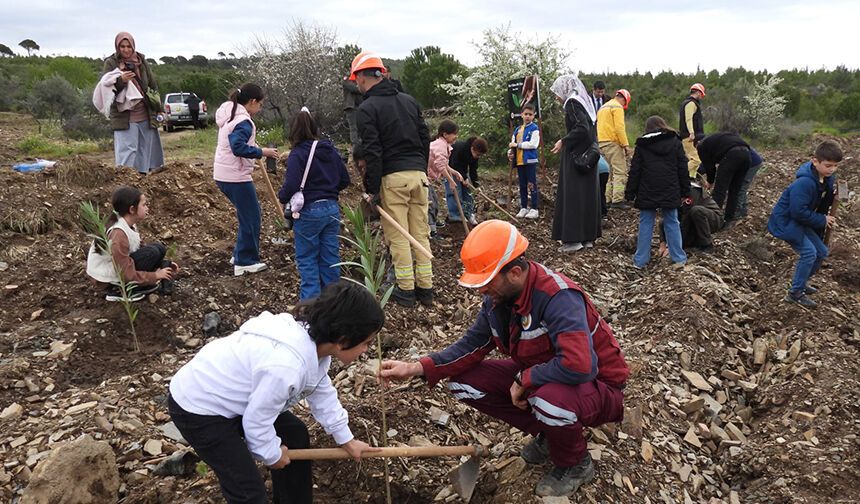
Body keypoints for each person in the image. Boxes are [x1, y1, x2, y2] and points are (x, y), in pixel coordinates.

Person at [380, 221, 628, 498]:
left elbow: (579, 365)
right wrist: (416, 368)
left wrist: (525, 378)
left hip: (598, 386)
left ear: (515, 272)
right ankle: (550, 434)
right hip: (548, 378)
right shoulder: (497, 301)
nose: (480, 291)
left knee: (548, 401)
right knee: (462, 383)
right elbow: (472, 344)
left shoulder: (557, 297)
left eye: (486, 283)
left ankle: (575, 463)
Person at [168, 281, 383, 504]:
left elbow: (321, 392)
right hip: (199, 408)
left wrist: (346, 439)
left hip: (238, 399)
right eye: (366, 343)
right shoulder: (286, 367)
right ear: (343, 340)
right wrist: (271, 454)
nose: (367, 350)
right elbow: (256, 421)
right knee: (247, 491)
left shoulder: (317, 350)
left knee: (295, 434)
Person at [351, 51, 432, 307]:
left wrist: (372, 189)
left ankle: (406, 290)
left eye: (356, 79)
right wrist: (421, 168)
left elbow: (373, 151)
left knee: (398, 236)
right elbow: (425, 137)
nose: (356, 84)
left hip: (393, 178)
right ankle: (426, 287)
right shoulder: (409, 101)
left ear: (363, 77)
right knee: (420, 232)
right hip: (419, 176)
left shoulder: (367, 108)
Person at [278, 108, 350, 300]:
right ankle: (333, 304)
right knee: (330, 258)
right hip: (332, 209)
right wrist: (329, 189)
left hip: (309, 210)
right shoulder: (330, 151)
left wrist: (282, 196)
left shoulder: (297, 154)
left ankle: (310, 309)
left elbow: (292, 184)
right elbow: (345, 179)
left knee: (308, 259)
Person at [213, 83, 279, 276]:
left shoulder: (231, 114)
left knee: (247, 214)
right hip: (235, 176)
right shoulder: (243, 121)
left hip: (224, 174)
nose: (260, 108)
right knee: (252, 216)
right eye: (260, 104)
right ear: (252, 102)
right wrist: (262, 152)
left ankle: (240, 254)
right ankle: (245, 261)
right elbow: (238, 147)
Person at [767, 140, 842, 308]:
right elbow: (797, 211)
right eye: (828, 165)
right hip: (787, 221)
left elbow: (823, 201)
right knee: (809, 253)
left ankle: (801, 282)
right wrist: (823, 220)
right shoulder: (805, 183)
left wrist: (833, 195)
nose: (832, 169)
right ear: (815, 161)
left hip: (801, 220)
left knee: (821, 252)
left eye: (835, 166)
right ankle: (794, 293)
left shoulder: (827, 178)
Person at [86, 186, 178, 301]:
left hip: (119, 267)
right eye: (144, 205)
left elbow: (136, 246)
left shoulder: (128, 222)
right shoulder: (118, 234)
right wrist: (155, 276)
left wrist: (161, 265)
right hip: (106, 279)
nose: (147, 208)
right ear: (132, 209)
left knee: (158, 248)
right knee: (152, 252)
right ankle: (119, 290)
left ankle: (136, 284)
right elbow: (126, 273)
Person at [625, 116, 690, 269]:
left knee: (646, 222)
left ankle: (640, 260)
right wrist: (685, 191)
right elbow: (683, 168)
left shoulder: (642, 144)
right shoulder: (675, 141)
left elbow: (635, 170)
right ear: (663, 125)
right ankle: (679, 258)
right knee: (672, 221)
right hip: (670, 188)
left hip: (647, 189)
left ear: (647, 129)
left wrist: (630, 192)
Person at [548, 74, 601, 253]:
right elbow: (589, 129)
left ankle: (573, 240)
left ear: (565, 88)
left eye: (557, 91)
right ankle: (587, 237)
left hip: (576, 157)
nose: (556, 96)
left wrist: (564, 141)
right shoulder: (585, 103)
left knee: (573, 196)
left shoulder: (571, 103)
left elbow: (581, 128)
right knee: (586, 195)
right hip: (588, 156)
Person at [102, 32, 165, 174]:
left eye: (129, 46)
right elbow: (106, 88)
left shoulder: (141, 61)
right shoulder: (111, 63)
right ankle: (126, 182)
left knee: (145, 149)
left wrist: (159, 108)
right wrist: (121, 81)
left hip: (145, 112)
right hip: (124, 116)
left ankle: (142, 179)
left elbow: (152, 85)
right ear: (117, 47)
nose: (126, 50)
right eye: (122, 46)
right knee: (127, 151)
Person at [696, 132, 751, 225]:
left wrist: (710, 182)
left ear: (697, 143)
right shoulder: (716, 139)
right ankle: (728, 220)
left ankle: (713, 221)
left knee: (719, 191)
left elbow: (710, 167)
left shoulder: (701, 146)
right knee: (734, 191)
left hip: (732, 154)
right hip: (747, 154)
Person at [427, 120, 464, 236]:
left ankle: (433, 222)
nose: (456, 136)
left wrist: (455, 172)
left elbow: (444, 165)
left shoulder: (444, 145)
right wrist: (451, 180)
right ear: (445, 134)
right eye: (454, 134)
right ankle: (431, 230)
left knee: (434, 201)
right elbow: (440, 165)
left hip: (427, 178)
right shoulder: (440, 145)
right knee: (430, 203)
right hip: (422, 176)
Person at [597, 89, 632, 209]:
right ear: (624, 99)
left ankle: (607, 198)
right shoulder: (617, 107)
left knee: (608, 173)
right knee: (620, 172)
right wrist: (626, 145)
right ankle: (617, 200)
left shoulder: (603, 107)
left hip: (601, 143)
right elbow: (619, 128)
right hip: (613, 143)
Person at [446, 136, 489, 226]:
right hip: (450, 169)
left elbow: (473, 170)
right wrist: (464, 177)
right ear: (472, 149)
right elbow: (455, 164)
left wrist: (477, 186)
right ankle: (455, 216)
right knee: (455, 192)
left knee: (468, 192)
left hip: (462, 171)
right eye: (477, 154)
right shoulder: (461, 148)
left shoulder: (475, 156)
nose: (478, 157)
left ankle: (469, 214)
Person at [509, 103, 541, 219]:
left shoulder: (534, 129)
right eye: (525, 114)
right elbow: (513, 145)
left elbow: (533, 144)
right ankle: (523, 207)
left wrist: (518, 145)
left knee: (531, 184)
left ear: (534, 116)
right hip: (519, 161)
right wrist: (511, 152)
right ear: (522, 115)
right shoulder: (517, 129)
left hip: (530, 161)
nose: (527, 116)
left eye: (530, 114)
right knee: (522, 184)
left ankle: (534, 208)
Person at [679, 83, 706, 179]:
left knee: (694, 160)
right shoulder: (691, 103)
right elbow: (688, 119)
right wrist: (691, 133)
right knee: (696, 160)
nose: (701, 97)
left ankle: (691, 179)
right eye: (701, 94)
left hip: (691, 137)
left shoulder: (689, 103)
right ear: (698, 92)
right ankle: (676, 173)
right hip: (689, 137)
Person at [735, 147, 763, 219]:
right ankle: (743, 209)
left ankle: (738, 211)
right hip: (750, 161)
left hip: (753, 163)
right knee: (741, 186)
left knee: (741, 187)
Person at [342, 78, 364, 147]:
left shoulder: (358, 78)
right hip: (351, 107)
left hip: (361, 106)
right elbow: (353, 88)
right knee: (354, 128)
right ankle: (356, 147)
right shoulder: (346, 79)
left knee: (361, 127)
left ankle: (361, 146)